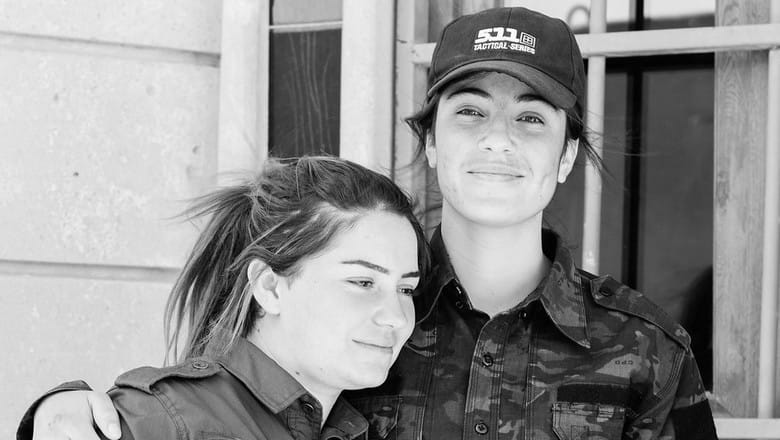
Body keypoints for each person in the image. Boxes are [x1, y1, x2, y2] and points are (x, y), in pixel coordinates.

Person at [19, 6, 718, 440]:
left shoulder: (647, 348)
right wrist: (57, 410)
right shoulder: (349, 312)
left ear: (566, 156)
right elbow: (222, 399)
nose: (499, 140)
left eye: (531, 119)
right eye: (469, 111)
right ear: (433, 141)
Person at [19, 156, 431, 440]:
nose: (395, 316)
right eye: (362, 282)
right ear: (270, 288)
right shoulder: (158, 421)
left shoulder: (356, 426)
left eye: (405, 288)